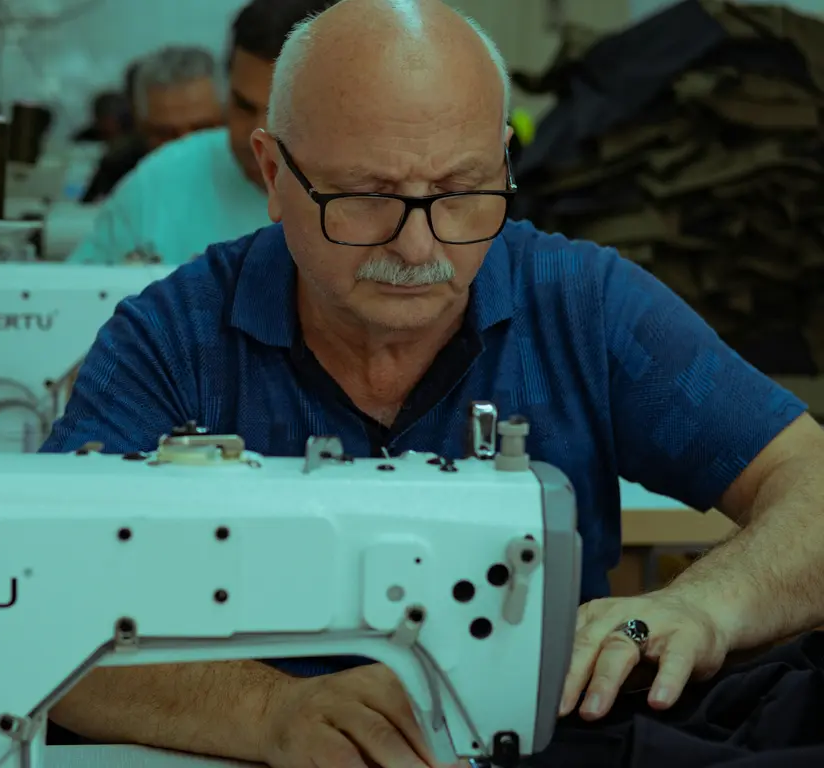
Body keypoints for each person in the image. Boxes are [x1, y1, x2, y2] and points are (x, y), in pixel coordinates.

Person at [43, 1, 824, 767]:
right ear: (275, 173)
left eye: (462, 192)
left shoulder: (581, 305)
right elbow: (37, 605)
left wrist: (704, 603)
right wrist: (271, 711)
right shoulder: (173, 342)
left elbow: (811, 480)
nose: (420, 248)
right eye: (368, 198)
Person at [67, 0, 338, 265]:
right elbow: (72, 298)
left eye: (279, 112)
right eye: (243, 105)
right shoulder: (159, 182)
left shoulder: (374, 192)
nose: (255, 134)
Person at [80, 46, 222, 204]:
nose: (186, 146)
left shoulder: (249, 167)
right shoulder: (120, 171)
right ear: (141, 128)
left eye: (201, 129)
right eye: (167, 134)